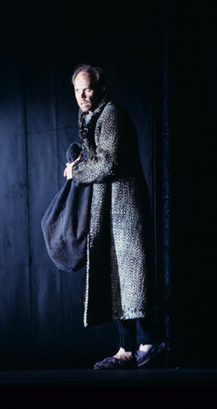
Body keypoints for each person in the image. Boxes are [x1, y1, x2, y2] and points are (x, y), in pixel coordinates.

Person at [64, 64, 167, 369]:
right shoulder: (90, 116)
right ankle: (130, 348)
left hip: (125, 206)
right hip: (108, 206)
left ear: (102, 89)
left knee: (133, 276)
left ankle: (148, 343)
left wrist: (77, 171)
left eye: (88, 88)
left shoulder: (111, 114)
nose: (82, 95)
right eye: (77, 90)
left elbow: (109, 163)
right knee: (117, 278)